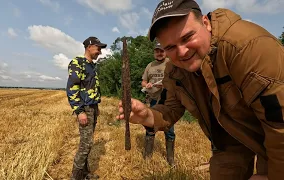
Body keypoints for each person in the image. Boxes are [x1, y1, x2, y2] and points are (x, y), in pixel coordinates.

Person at [117, 0, 284, 179]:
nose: (181, 52)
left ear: (206, 23)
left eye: (187, 38)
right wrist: (147, 115)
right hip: (228, 141)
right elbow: (170, 108)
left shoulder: (248, 48)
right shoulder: (174, 71)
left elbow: (280, 126)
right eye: (170, 47)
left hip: (275, 138)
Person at [66, 36, 107, 180]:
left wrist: (96, 107)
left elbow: (92, 88)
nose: (100, 52)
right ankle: (75, 177)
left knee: (87, 143)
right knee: (86, 144)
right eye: (98, 48)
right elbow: (72, 88)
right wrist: (79, 111)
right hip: (84, 109)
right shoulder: (77, 63)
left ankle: (85, 174)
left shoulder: (92, 66)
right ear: (89, 47)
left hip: (92, 107)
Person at [141, 42, 175, 166]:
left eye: (161, 51)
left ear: (165, 52)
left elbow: (178, 80)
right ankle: (147, 157)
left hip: (168, 101)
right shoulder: (150, 66)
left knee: (169, 127)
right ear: (154, 52)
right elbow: (143, 82)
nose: (159, 53)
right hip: (154, 100)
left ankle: (170, 159)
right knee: (151, 126)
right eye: (157, 51)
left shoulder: (171, 63)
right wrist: (147, 85)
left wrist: (166, 84)